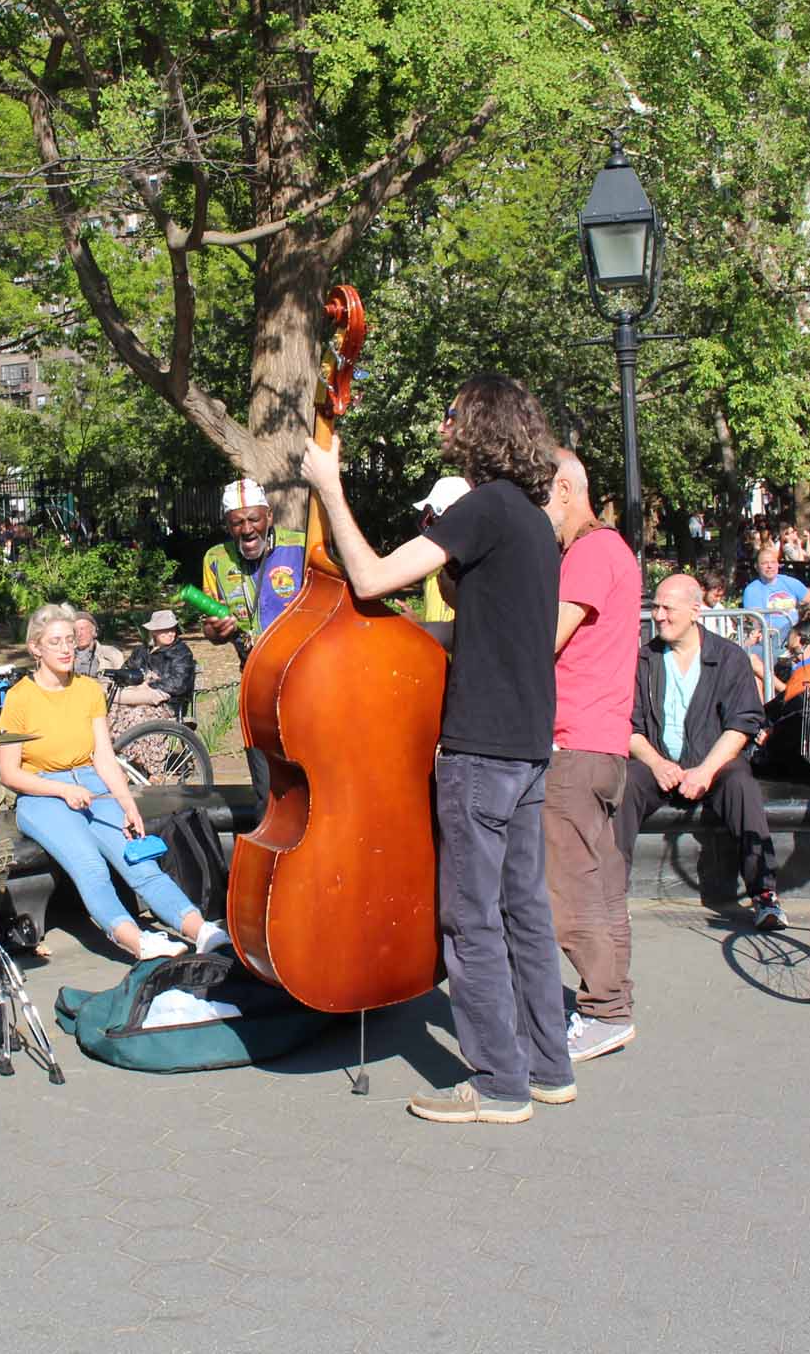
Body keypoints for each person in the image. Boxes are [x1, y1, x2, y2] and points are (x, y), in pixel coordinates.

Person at [299, 374, 571, 1126]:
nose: (444, 421)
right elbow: (471, 602)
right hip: (528, 745)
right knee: (525, 911)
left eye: (451, 411)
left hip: (481, 749)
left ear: (478, 425)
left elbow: (371, 577)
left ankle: (497, 1085)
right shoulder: (533, 520)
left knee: (470, 918)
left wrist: (330, 487)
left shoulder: (482, 507)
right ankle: (549, 1068)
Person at [0, 603, 218, 962]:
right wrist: (63, 790)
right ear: (35, 647)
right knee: (91, 866)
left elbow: (103, 756)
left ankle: (201, 929)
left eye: (70, 640)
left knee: (139, 861)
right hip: (42, 792)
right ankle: (137, 941)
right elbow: (9, 773)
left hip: (89, 782)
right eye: (56, 642)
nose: (67, 648)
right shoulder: (20, 698)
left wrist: (127, 802)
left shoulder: (88, 690)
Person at [539, 450, 642, 1065]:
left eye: (539, 498)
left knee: (569, 886)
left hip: (574, 742)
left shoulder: (591, 552)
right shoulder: (608, 551)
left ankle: (603, 1011)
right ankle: (612, 1003)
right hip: (599, 741)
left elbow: (547, 636)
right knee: (602, 885)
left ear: (565, 488)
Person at [618, 574, 785, 930]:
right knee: (627, 781)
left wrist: (706, 771)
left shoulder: (729, 658)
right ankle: (612, 895)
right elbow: (626, 726)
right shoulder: (642, 660)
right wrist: (657, 763)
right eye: (655, 608)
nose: (658, 616)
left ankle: (765, 895)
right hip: (658, 760)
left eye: (667, 608)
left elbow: (742, 725)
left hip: (713, 762)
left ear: (695, 611)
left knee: (741, 785)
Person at [199, 479, 307, 656]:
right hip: (253, 671)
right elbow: (211, 631)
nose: (247, 529)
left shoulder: (302, 547)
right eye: (237, 523)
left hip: (303, 666)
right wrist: (217, 629)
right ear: (227, 525)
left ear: (269, 516)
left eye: (254, 519)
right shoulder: (215, 560)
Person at [105, 609, 198, 745]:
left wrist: (149, 685)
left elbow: (179, 683)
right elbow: (126, 672)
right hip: (137, 700)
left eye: (172, 629)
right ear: (154, 631)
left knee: (136, 718)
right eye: (164, 630)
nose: (170, 633)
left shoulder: (181, 652)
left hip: (168, 704)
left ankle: (145, 762)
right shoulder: (141, 651)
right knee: (110, 714)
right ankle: (116, 757)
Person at [414, 477, 470, 624]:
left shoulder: (468, 567)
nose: (428, 528)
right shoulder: (434, 564)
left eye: (431, 520)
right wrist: (419, 623)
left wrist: (422, 628)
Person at [740, 545, 810, 632]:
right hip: (772, 637)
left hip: (796, 634)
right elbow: (756, 623)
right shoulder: (752, 590)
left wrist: (807, 619)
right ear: (756, 566)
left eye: (773, 562)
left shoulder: (790, 582)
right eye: (764, 563)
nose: (769, 566)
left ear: (778, 564)